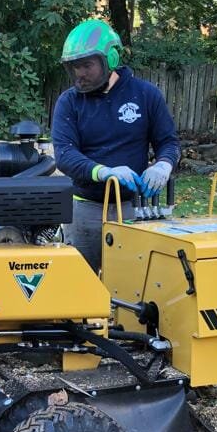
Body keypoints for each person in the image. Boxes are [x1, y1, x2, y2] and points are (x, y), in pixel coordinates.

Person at [51, 19, 180, 271]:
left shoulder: (145, 95)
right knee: (80, 288)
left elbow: (168, 142)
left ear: (110, 59)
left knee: (133, 288)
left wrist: (164, 165)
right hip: (84, 210)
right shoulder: (69, 102)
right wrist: (104, 172)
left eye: (87, 65)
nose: (80, 73)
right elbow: (65, 155)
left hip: (133, 211)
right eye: (75, 67)